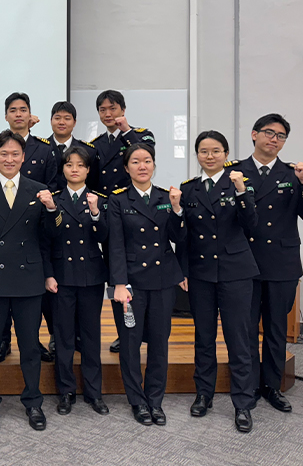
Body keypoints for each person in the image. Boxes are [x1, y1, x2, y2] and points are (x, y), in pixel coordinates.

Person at [0, 130, 61, 432]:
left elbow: (52, 237)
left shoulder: (39, 189)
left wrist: (52, 209)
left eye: (15, 154)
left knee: (31, 346)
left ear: (24, 158)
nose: (9, 159)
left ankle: (33, 401)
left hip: (28, 278)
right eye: (3, 154)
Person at [179, 130, 258, 433]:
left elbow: (251, 225)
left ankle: (243, 403)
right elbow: (184, 236)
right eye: (203, 151)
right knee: (204, 336)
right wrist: (183, 270)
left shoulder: (239, 182)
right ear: (197, 155)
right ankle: (204, 394)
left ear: (226, 153)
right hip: (201, 273)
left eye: (215, 151)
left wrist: (240, 191)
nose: (209, 156)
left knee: (238, 339)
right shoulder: (189, 189)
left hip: (236, 270)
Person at [240, 114, 303, 413]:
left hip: (281, 263)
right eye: (269, 133)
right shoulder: (236, 171)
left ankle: (271, 386)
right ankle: (247, 384)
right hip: (244, 263)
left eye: (281, 136)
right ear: (254, 134)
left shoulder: (293, 174)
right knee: (245, 328)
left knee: (276, 329)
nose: (274, 139)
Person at [108, 143, 186, 426]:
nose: (143, 166)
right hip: (130, 283)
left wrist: (177, 209)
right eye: (136, 161)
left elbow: (179, 238)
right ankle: (137, 401)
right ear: (126, 167)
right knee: (129, 344)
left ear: (154, 165)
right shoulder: (118, 200)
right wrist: (118, 283)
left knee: (159, 343)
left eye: (148, 161)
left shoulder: (167, 197)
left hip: (162, 281)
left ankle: (155, 400)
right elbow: (115, 244)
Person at [0, 92, 58, 362]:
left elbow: (52, 188)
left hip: (32, 233)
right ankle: (2, 342)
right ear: (6, 115)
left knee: (31, 309)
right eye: (13, 110)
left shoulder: (44, 148)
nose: (19, 114)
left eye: (24, 109)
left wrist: (48, 208)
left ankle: (32, 342)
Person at [43, 146, 110, 416]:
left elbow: (106, 237)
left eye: (80, 165)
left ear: (88, 170)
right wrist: (48, 274)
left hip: (91, 278)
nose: (74, 169)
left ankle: (94, 393)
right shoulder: (54, 200)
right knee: (63, 338)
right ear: (63, 169)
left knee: (92, 338)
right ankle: (66, 391)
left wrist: (95, 214)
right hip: (61, 278)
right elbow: (45, 241)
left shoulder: (100, 200)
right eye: (69, 164)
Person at [90, 90, 156, 354]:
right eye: (103, 110)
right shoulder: (95, 144)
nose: (109, 114)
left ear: (123, 109)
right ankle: (124, 331)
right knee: (116, 276)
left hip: (139, 211)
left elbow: (146, 151)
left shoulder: (141, 133)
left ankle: (147, 330)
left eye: (113, 108)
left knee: (145, 276)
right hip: (110, 213)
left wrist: (125, 129)